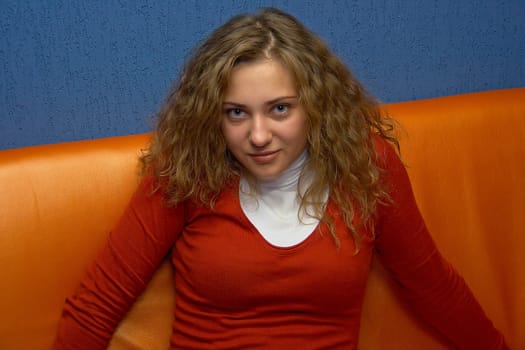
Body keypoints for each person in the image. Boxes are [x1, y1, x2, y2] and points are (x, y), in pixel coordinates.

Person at [53, 7, 509, 350]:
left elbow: (433, 286)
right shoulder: (187, 170)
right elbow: (95, 307)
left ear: (314, 103)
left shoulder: (367, 165)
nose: (257, 136)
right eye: (236, 113)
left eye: (279, 109)